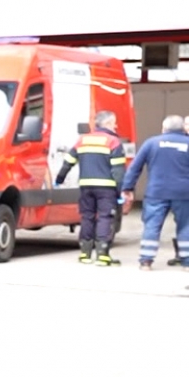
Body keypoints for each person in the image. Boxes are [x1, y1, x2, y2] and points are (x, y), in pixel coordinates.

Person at [59, 111, 130, 265]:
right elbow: (118, 171)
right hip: (107, 188)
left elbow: (68, 161)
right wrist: (120, 192)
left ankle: (85, 254)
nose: (116, 126)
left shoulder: (82, 140)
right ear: (108, 124)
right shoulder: (113, 142)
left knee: (87, 217)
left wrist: (59, 179)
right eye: (114, 123)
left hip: (86, 186)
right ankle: (102, 255)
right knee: (105, 217)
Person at [121, 115, 189, 270]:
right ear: (183, 129)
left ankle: (146, 261)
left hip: (156, 192)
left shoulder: (151, 143)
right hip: (184, 193)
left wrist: (127, 188)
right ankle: (187, 262)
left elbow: (135, 167)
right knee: (186, 226)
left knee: (152, 225)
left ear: (164, 128)